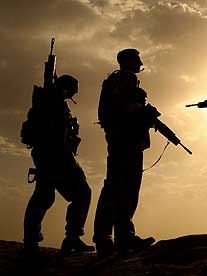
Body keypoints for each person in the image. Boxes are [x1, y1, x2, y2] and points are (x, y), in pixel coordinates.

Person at [23, 75, 94, 256]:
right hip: (54, 156)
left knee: (45, 196)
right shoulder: (51, 103)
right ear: (65, 88)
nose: (75, 92)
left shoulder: (53, 103)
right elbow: (53, 135)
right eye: (73, 89)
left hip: (52, 155)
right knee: (80, 193)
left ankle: (34, 240)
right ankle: (69, 238)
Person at [94, 48, 156, 256]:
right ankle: (111, 238)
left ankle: (119, 237)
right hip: (125, 140)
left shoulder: (119, 79)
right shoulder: (125, 79)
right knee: (121, 187)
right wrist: (143, 111)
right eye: (137, 58)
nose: (140, 61)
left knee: (120, 188)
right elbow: (124, 107)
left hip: (124, 139)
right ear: (128, 61)